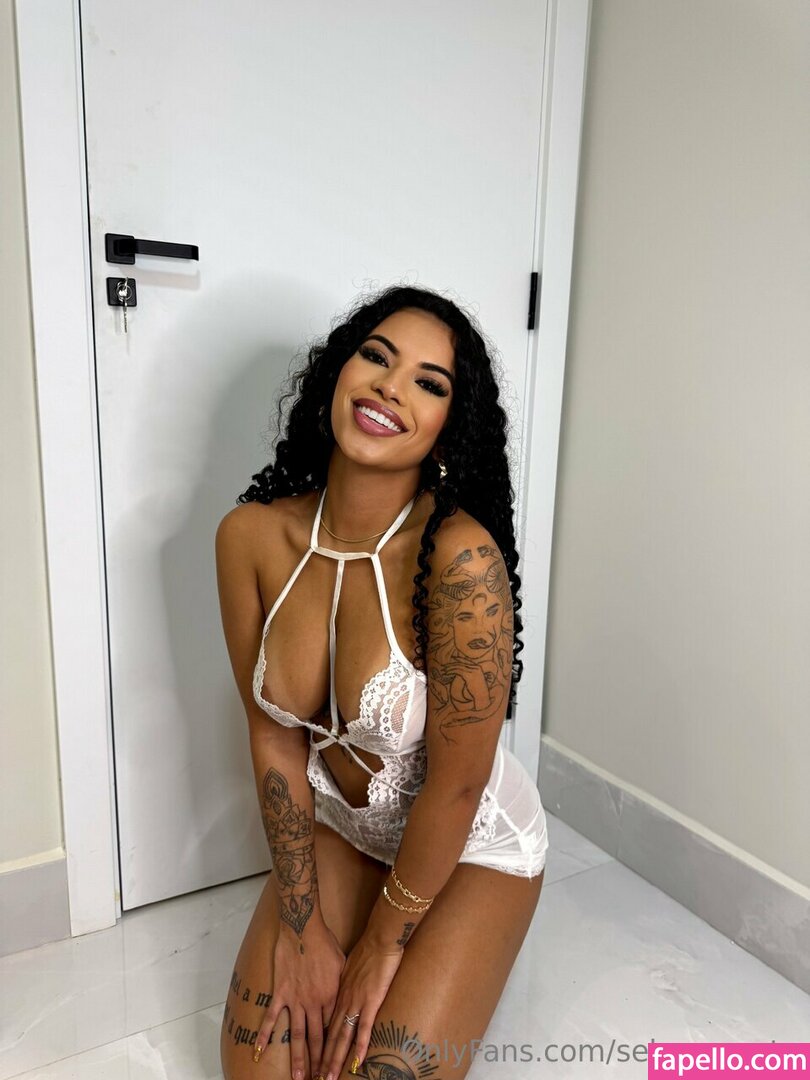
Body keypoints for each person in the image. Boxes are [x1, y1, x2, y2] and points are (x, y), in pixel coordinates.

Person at [215, 284, 549, 1080]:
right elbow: (272, 735)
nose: (391, 388)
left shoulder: (460, 563)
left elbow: (457, 787)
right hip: (343, 827)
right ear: (338, 372)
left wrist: (379, 946)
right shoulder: (249, 538)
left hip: (470, 842)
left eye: (428, 383)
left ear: (448, 427)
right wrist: (301, 927)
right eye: (376, 357)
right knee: (258, 1073)